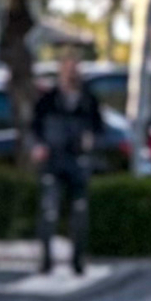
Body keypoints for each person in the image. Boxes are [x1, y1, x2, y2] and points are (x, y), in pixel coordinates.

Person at [30, 46, 109, 277]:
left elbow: (100, 129)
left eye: (74, 69)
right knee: (49, 212)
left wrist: (91, 141)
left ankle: (77, 261)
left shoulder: (88, 101)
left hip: (77, 162)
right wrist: (38, 146)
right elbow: (34, 128)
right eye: (66, 69)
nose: (70, 74)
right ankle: (46, 261)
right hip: (53, 160)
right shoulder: (48, 100)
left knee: (79, 214)